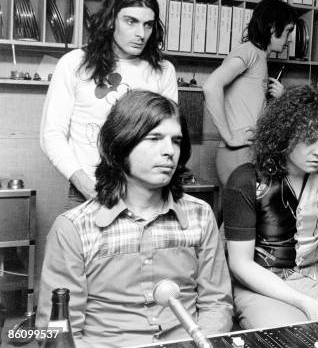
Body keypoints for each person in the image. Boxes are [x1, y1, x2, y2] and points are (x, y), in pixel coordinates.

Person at [36, 91, 233, 348]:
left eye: (176, 141)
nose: (169, 152)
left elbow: (216, 304)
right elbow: (57, 332)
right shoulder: (74, 227)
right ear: (120, 144)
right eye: (154, 138)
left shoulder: (200, 215)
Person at [223, 86, 318, 329]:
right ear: (284, 136)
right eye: (309, 139)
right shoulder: (244, 180)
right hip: (260, 286)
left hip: (315, 280)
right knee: (293, 338)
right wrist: (304, 303)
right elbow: (240, 264)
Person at [40, 0, 178, 208]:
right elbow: (52, 135)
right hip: (87, 192)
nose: (140, 34)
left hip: (145, 196)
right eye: (130, 21)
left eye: (148, 25)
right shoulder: (75, 63)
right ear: (111, 20)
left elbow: (169, 137)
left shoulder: (163, 70)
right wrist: (84, 184)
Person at [202, 0, 297, 185]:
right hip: (238, 153)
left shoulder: (259, 57)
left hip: (251, 152)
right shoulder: (249, 51)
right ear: (272, 28)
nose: (290, 39)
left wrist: (282, 99)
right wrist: (229, 137)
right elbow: (211, 86)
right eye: (288, 31)